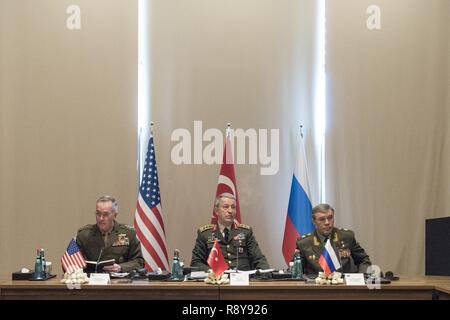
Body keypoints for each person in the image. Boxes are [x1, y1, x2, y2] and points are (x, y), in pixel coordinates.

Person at [191, 193, 270, 271]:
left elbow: (259, 258)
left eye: (233, 207)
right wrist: (212, 272)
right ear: (216, 210)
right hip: (217, 281)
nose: (230, 211)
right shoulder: (205, 234)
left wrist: (265, 274)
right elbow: (196, 262)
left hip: (243, 281)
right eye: (226, 207)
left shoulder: (245, 232)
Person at [296, 203, 371, 277]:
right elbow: (296, 270)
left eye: (330, 218)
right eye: (322, 219)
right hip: (316, 286)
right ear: (313, 221)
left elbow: (363, 260)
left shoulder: (347, 237)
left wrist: (362, 277)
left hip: (344, 286)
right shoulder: (304, 243)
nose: (327, 222)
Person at [76, 195, 144, 273]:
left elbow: (139, 261)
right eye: (98, 214)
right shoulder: (84, 234)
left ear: (115, 215)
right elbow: (72, 260)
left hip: (120, 282)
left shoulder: (128, 233)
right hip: (93, 281)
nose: (101, 218)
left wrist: (121, 267)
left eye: (106, 214)